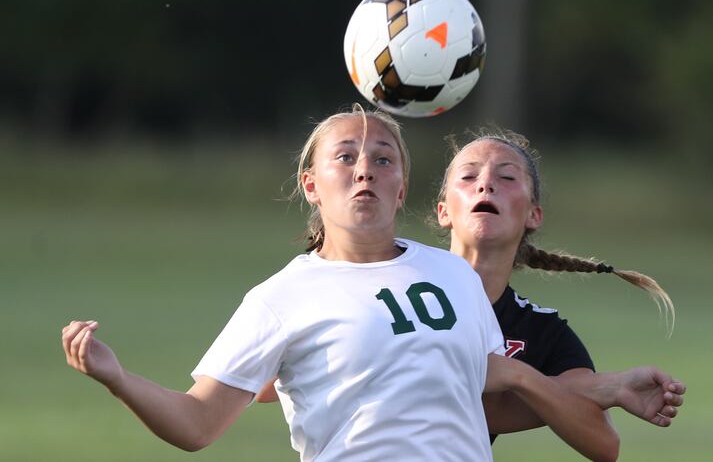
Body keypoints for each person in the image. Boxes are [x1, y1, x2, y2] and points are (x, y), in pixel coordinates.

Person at [61, 107, 619, 462]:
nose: (364, 169)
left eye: (383, 159)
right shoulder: (281, 298)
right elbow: (196, 424)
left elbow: (486, 405)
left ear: (403, 190)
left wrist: (607, 389)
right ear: (311, 185)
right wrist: (117, 378)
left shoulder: (453, 274)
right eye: (346, 157)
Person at [434, 129, 685, 441]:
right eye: (469, 176)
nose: (485, 184)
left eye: (508, 178)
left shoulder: (543, 331)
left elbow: (603, 443)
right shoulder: (397, 292)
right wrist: (590, 386)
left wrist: (519, 378)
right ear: (443, 211)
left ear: (533, 214)